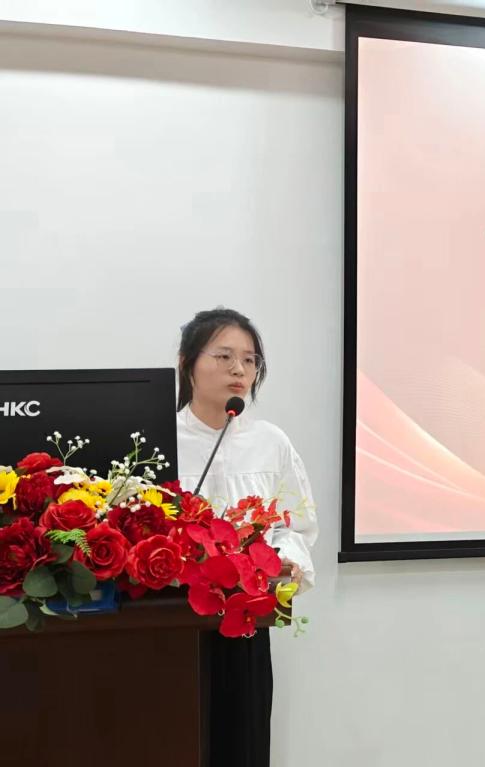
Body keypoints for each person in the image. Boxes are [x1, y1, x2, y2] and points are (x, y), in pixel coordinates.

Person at [175, 307, 318, 767]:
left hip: (244, 621)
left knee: (241, 743)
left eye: (250, 360)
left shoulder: (270, 442)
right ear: (187, 363)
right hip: (171, 623)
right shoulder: (161, 437)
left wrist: (286, 559)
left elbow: (295, 526)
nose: (239, 370)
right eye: (223, 356)